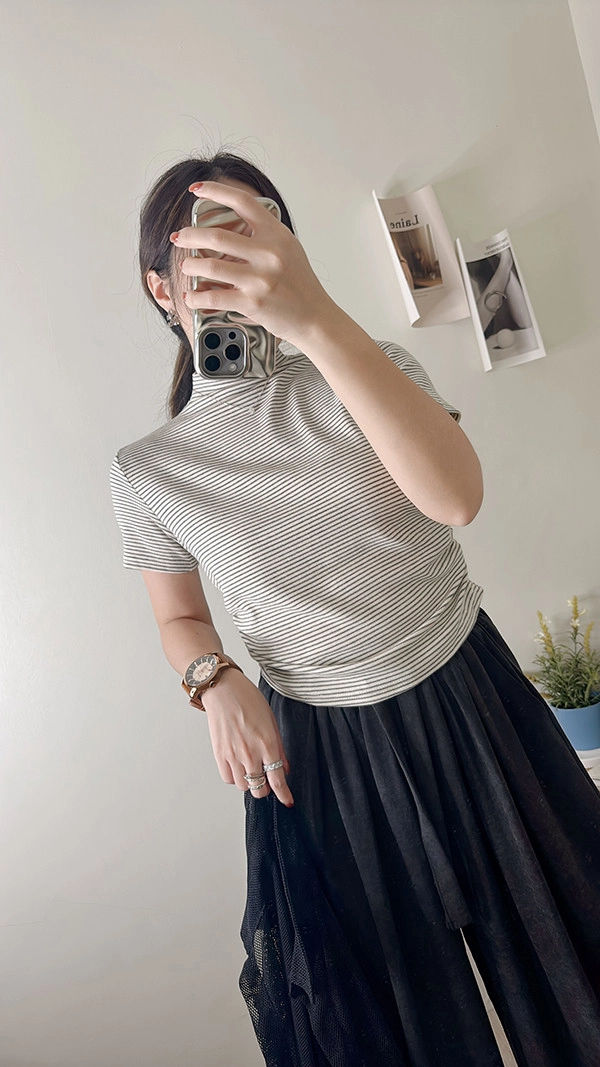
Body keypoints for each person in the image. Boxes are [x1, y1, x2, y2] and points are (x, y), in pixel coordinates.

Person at [110, 152, 600, 1067]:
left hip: (471, 695)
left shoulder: (373, 369)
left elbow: (456, 498)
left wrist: (317, 319)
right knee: (402, 1028)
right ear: (160, 287)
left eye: (256, 244)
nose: (235, 272)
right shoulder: (151, 471)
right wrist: (213, 678)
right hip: (320, 754)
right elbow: (180, 619)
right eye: (207, 255)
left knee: (573, 949)